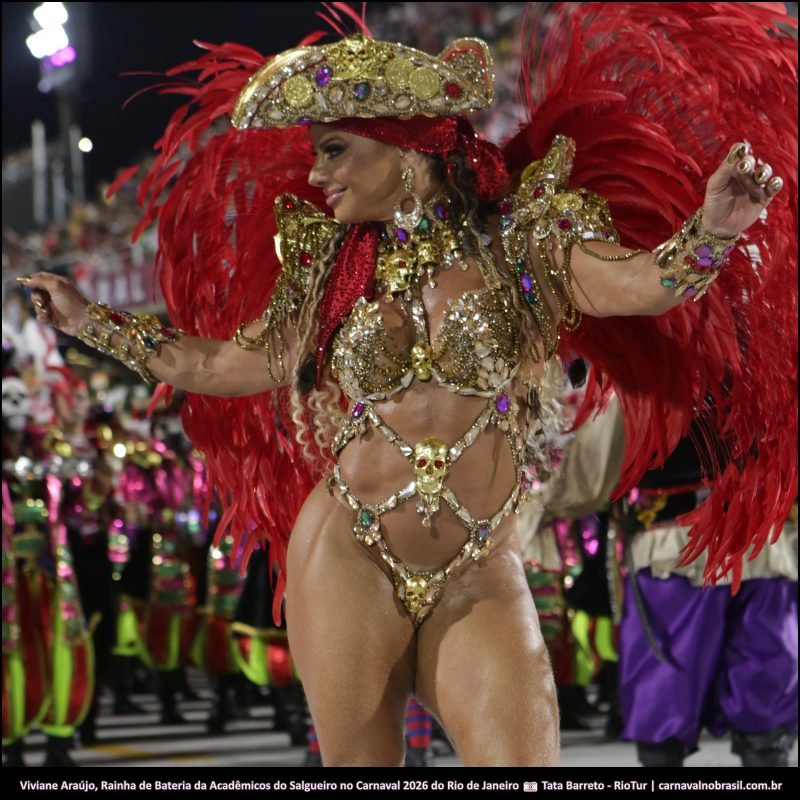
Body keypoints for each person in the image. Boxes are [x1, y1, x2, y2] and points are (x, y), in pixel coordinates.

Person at [19, 4, 796, 766]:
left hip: (481, 566)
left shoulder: (521, 242)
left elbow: (644, 285)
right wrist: (90, 321)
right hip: (350, 555)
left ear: (408, 151)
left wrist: (715, 228)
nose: (316, 173)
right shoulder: (330, 268)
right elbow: (218, 366)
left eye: (334, 150)